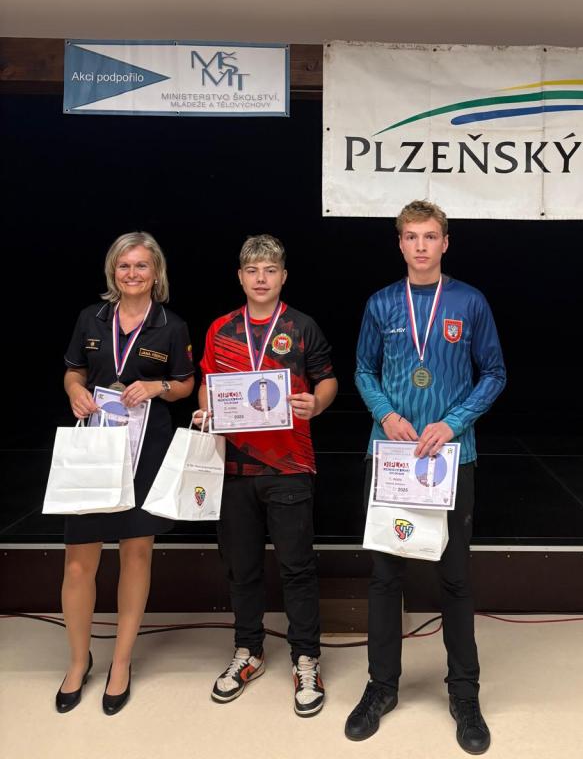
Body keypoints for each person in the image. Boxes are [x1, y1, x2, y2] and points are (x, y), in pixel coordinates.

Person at [345, 201, 506, 755]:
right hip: (391, 457)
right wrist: (386, 415)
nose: (420, 245)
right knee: (385, 576)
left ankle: (464, 693)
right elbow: (363, 370)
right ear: (399, 243)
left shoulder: (470, 301)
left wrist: (453, 422)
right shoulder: (380, 303)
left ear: (445, 243)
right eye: (411, 236)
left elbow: (495, 374)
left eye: (430, 236)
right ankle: (381, 687)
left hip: (451, 459)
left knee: (454, 577)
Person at [195, 234, 338, 716]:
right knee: (242, 568)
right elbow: (206, 384)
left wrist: (317, 402)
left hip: (290, 466)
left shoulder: (301, 326)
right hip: (235, 467)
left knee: (297, 567)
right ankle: (249, 651)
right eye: (253, 270)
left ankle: (306, 658)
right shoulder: (221, 329)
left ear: (283, 277)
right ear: (240, 277)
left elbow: (327, 379)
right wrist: (207, 410)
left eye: (270, 270)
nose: (261, 278)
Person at [59, 232, 195, 715]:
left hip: (145, 452)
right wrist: (75, 391)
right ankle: (79, 662)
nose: (132, 274)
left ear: (155, 273)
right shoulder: (90, 318)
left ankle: (121, 662)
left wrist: (159, 387)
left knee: (136, 555)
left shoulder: (171, 325)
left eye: (141, 266)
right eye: (123, 266)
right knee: (79, 562)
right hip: (96, 449)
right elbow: (73, 371)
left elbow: (186, 384)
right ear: (112, 272)